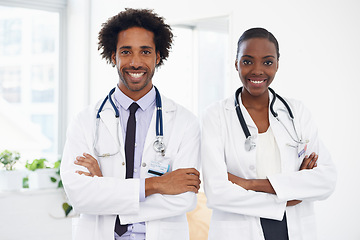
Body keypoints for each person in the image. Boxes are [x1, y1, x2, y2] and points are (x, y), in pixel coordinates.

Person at [60, 8, 201, 240]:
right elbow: (79, 196)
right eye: (126, 52)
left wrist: (105, 188)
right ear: (113, 56)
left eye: (145, 52)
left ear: (157, 56)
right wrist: (156, 185)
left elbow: (184, 198)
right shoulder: (85, 121)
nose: (135, 62)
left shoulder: (185, 122)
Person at [201, 27, 336, 239]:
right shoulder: (215, 116)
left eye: (267, 62)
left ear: (277, 65)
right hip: (239, 230)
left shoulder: (297, 112)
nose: (257, 70)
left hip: (294, 228)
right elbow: (216, 192)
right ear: (235, 63)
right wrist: (288, 194)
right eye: (247, 61)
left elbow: (326, 180)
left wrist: (248, 184)